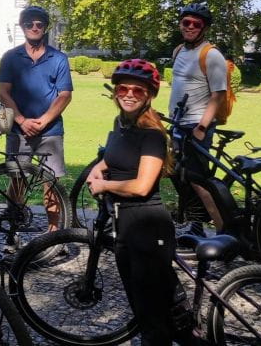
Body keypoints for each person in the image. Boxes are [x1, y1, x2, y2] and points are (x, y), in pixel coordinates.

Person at [86, 59, 181, 346]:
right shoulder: (122, 124)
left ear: (149, 95)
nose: (128, 94)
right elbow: (117, 154)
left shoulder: (152, 135)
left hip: (147, 227)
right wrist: (99, 166)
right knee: (143, 309)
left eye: (137, 91)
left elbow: (141, 186)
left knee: (154, 317)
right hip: (124, 223)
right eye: (123, 89)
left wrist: (104, 185)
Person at [0, 5, 72, 238]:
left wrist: (43, 120)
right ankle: (13, 230)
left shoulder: (58, 58)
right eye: (29, 23)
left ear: (45, 27)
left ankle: (53, 234)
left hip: (50, 131)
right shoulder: (11, 57)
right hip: (19, 130)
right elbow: (4, 92)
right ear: (22, 26)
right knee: (17, 180)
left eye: (39, 23)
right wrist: (21, 119)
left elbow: (65, 94)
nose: (34, 27)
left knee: (52, 183)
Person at [168, 2, 228, 233]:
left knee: (196, 179)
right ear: (180, 24)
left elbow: (218, 94)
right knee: (172, 170)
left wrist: (202, 126)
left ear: (204, 28)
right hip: (178, 123)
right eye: (186, 22)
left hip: (197, 124)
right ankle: (196, 223)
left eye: (196, 24)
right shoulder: (179, 51)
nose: (190, 27)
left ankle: (225, 234)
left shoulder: (211, 55)